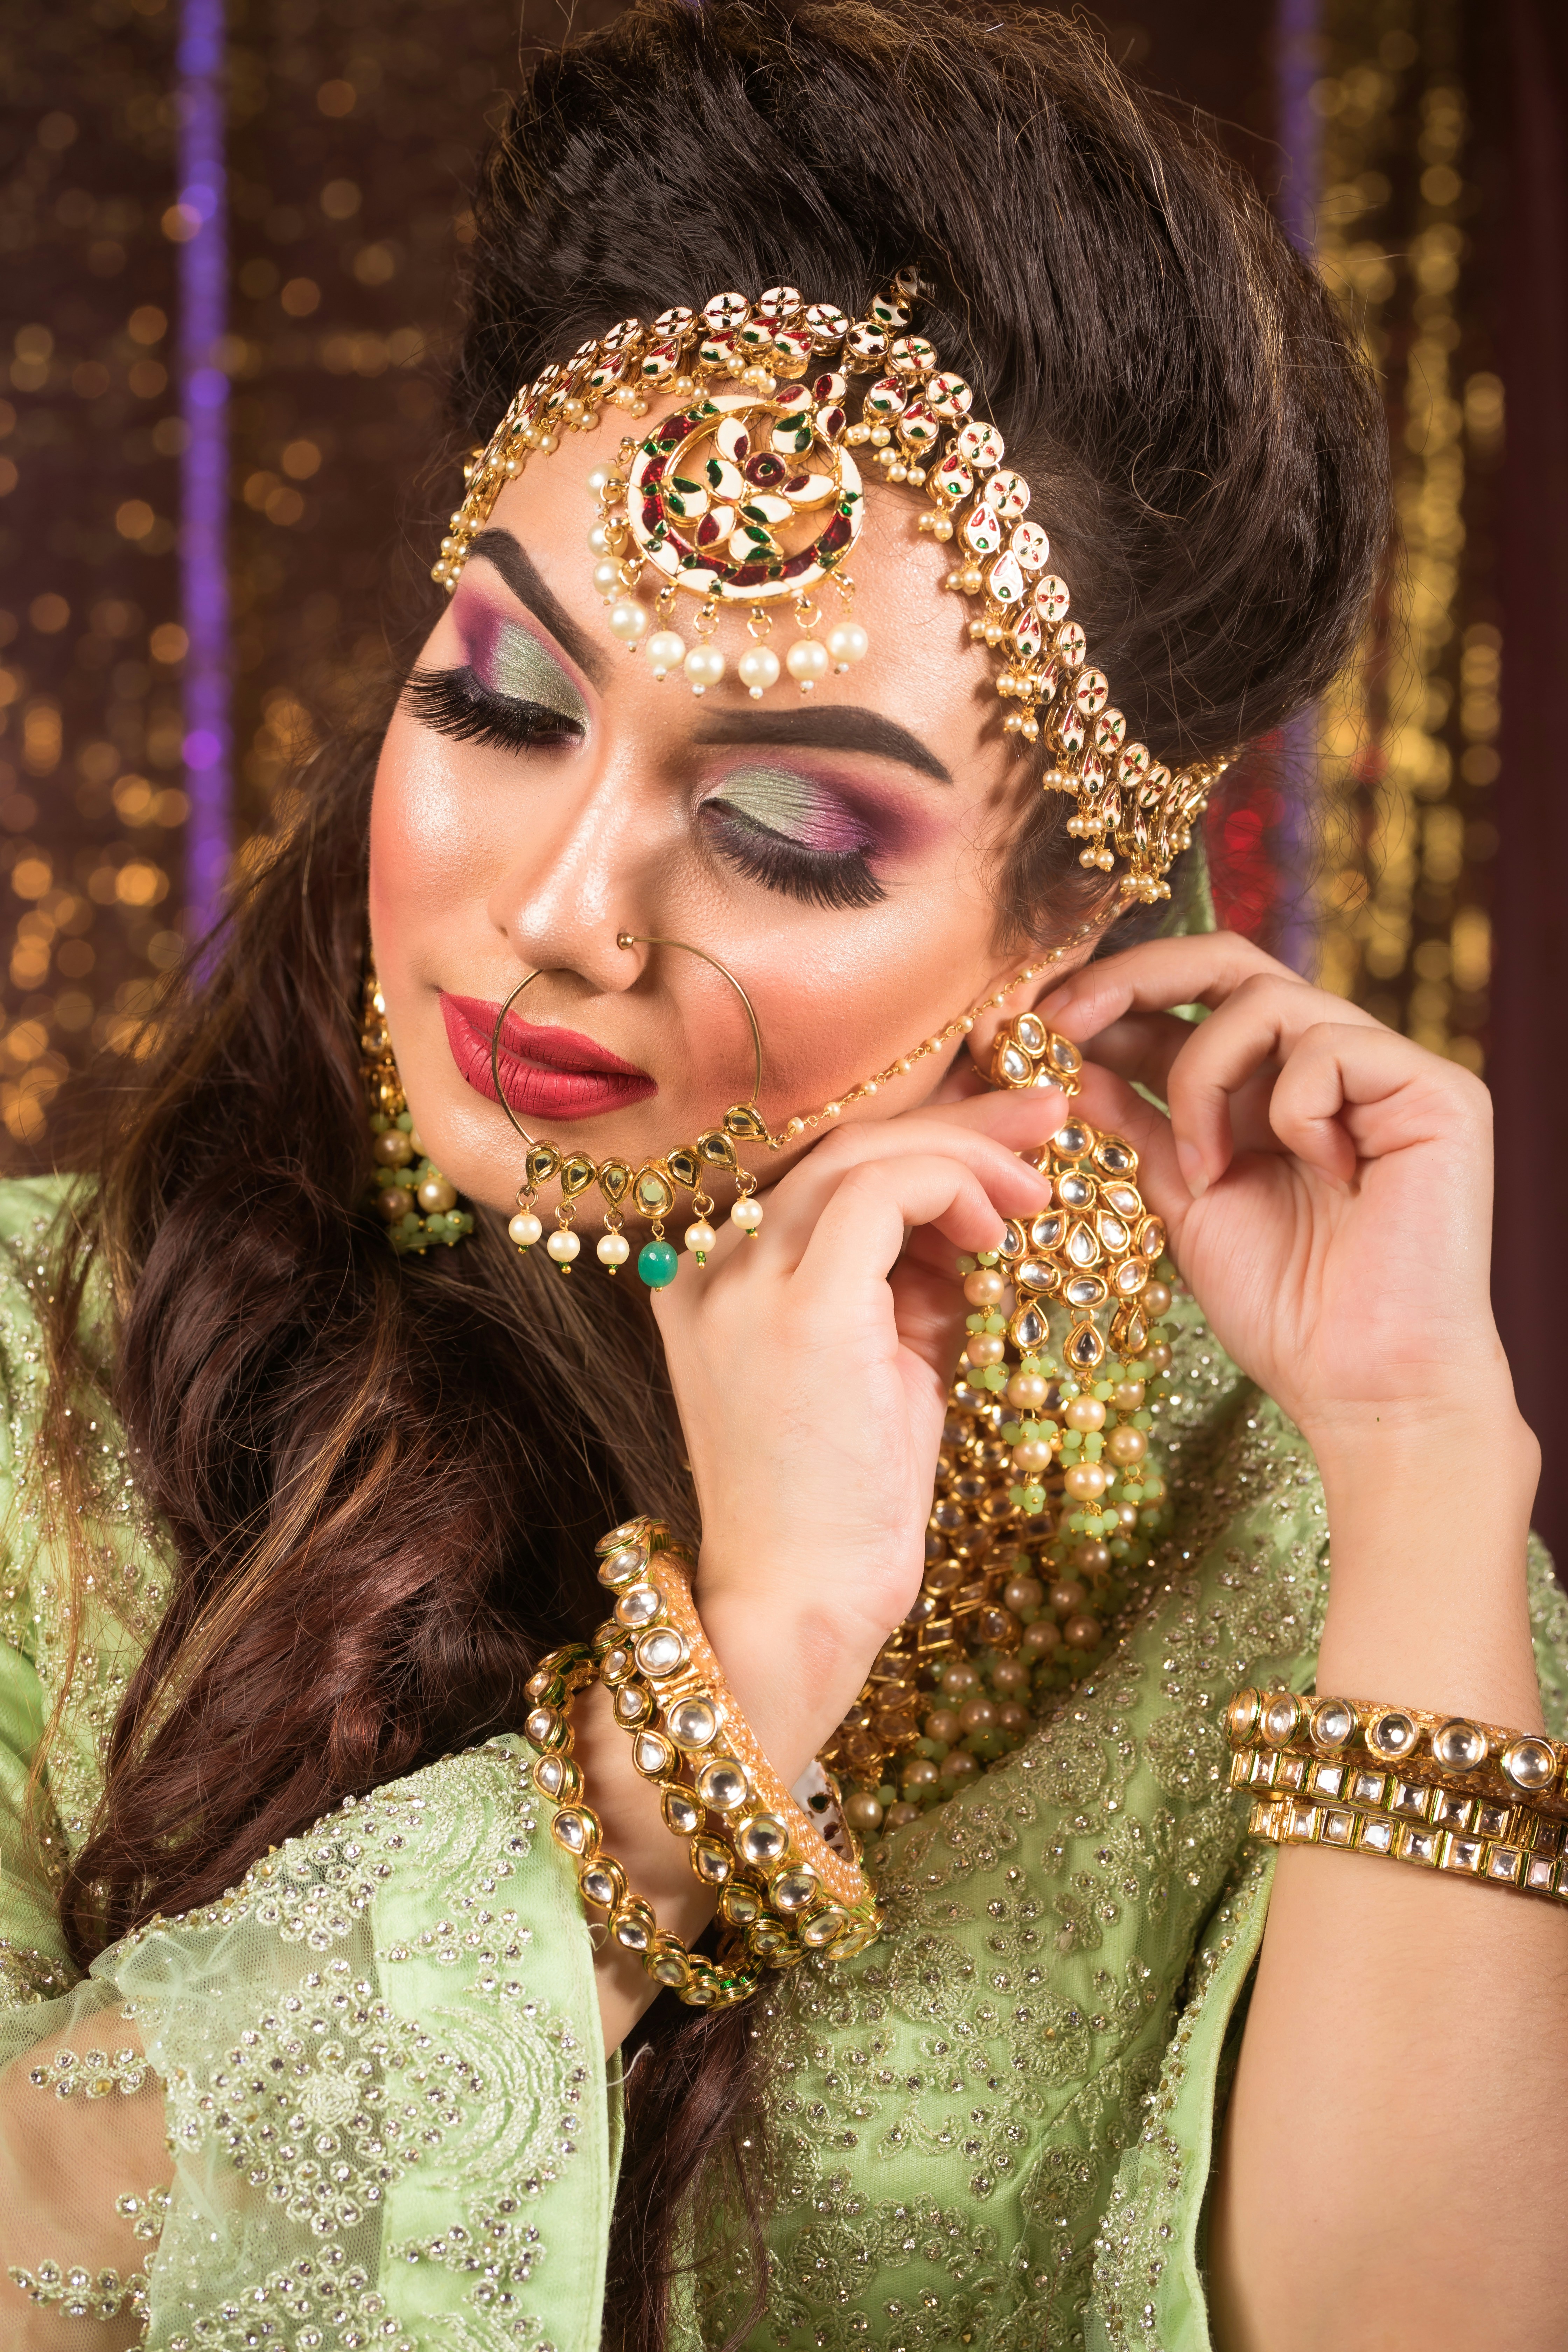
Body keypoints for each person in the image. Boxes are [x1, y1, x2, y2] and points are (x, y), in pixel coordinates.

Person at [1, 3, 1562, 2347]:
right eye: (502, 705)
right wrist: (719, 1706)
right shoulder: (48, 1378)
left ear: (1070, 923)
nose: (560, 905)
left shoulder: (1282, 1532)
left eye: (787, 829)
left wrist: (1433, 1467)